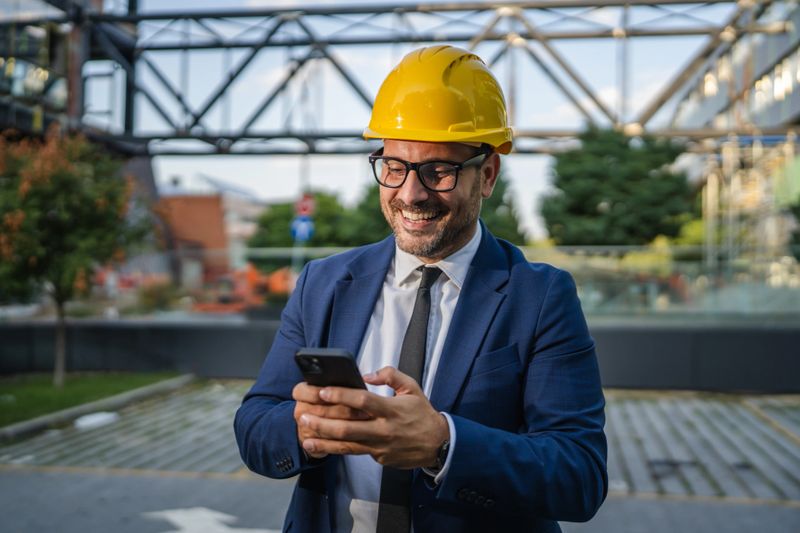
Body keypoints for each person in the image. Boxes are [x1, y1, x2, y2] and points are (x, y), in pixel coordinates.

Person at [234, 45, 607, 533]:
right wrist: (306, 428)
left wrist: (442, 444)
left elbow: (578, 477)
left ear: (487, 175)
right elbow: (256, 424)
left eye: (438, 171)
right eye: (394, 167)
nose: (411, 194)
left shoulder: (539, 298)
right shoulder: (324, 283)